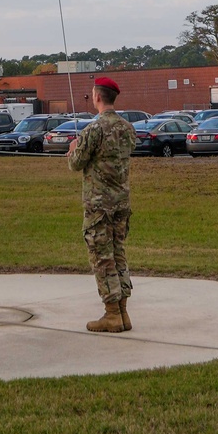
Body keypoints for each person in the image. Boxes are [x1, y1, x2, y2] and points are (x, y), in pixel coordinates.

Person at [67, 75, 137, 333]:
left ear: (97, 96)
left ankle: (111, 314)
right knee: (118, 255)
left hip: (99, 206)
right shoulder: (127, 128)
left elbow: (76, 164)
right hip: (121, 204)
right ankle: (123, 313)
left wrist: (74, 148)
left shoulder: (94, 130)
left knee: (102, 258)